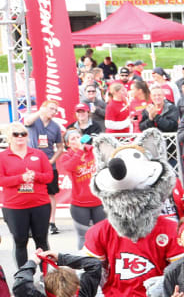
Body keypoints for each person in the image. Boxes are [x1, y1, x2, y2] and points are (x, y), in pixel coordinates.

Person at [0, 122, 53, 268]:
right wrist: (20, 179)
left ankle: (46, 276)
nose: (19, 137)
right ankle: (23, 277)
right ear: (9, 137)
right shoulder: (2, 157)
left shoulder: (38, 154)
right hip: (15, 206)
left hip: (40, 204)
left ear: (27, 136)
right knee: (20, 241)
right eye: (15, 134)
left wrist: (35, 175)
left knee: (41, 240)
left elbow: (49, 176)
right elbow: (1, 180)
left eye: (23, 133)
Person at [22, 101, 64, 236]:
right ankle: (30, 224)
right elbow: (27, 121)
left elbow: (60, 147)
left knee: (51, 194)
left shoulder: (55, 127)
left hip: (49, 164)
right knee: (31, 192)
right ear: (43, 107)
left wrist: (52, 160)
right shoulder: (35, 121)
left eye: (56, 110)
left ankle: (52, 222)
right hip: (32, 164)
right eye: (51, 108)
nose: (53, 112)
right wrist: (41, 112)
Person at [59, 130, 105, 250]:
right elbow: (70, 166)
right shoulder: (66, 157)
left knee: (102, 235)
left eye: (78, 137)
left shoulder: (94, 151)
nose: (76, 140)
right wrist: (80, 151)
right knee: (83, 237)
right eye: (72, 139)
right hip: (79, 204)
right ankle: (83, 264)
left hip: (98, 201)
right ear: (68, 144)